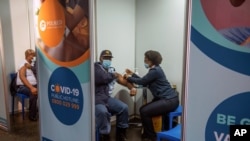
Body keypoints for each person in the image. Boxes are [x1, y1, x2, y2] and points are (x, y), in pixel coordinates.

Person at [124, 50, 179, 141]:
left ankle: (151, 136)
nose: (144, 61)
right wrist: (132, 74)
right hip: (169, 99)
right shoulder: (155, 69)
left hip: (169, 100)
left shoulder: (155, 71)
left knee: (144, 111)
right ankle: (148, 133)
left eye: (146, 59)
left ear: (151, 60)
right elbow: (144, 80)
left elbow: (142, 82)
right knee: (144, 109)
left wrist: (128, 77)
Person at [95, 50, 136, 141]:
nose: (107, 60)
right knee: (103, 112)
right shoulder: (95, 67)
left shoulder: (111, 70)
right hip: (96, 99)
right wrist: (115, 75)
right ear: (100, 58)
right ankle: (104, 136)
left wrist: (132, 88)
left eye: (109, 58)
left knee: (123, 107)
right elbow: (102, 78)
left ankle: (121, 134)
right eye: (105, 58)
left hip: (107, 98)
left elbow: (122, 81)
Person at [16, 49, 38, 121]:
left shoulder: (31, 64)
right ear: (27, 56)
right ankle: (32, 116)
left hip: (32, 85)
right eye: (31, 55)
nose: (33, 57)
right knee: (33, 93)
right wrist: (31, 88)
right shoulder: (23, 64)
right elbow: (22, 77)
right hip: (22, 87)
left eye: (33, 55)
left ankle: (36, 109)